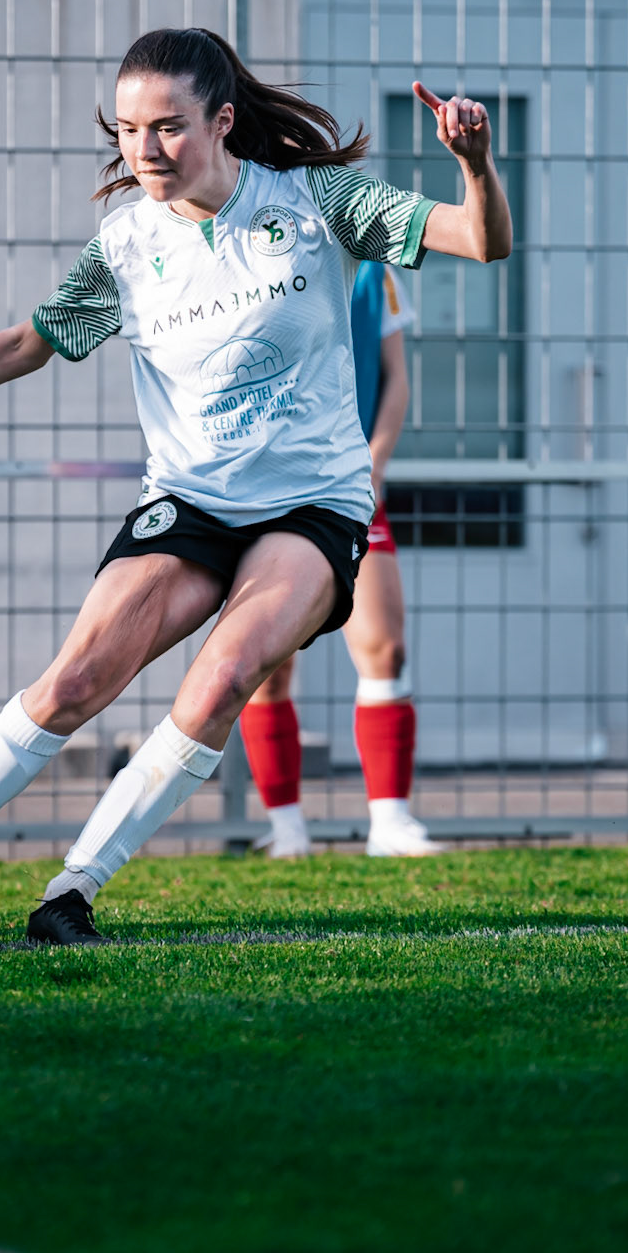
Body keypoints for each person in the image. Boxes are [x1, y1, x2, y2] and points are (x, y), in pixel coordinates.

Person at [0, 28, 511, 948]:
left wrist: (474, 166)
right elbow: (25, 343)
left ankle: (71, 893)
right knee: (75, 679)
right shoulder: (124, 244)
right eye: (127, 130)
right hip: (190, 502)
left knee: (221, 680)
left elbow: (481, 242)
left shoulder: (315, 200)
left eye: (168, 127)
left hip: (312, 504)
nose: (145, 150)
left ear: (223, 121)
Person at [239, 258, 437, 857]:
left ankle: (390, 824)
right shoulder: (252, 258)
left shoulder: (373, 269)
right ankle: (287, 831)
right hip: (268, 491)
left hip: (350, 488)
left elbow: (397, 379)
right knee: (268, 664)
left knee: (384, 648)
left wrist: (373, 465)